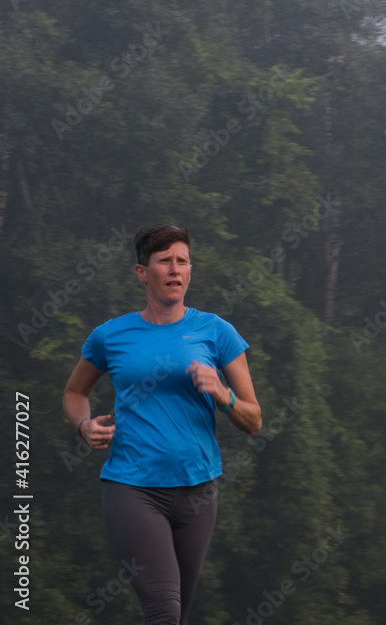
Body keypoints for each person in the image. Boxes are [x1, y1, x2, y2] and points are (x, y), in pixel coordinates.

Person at [62, 224, 262, 624]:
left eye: (182, 261)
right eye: (165, 261)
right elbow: (73, 394)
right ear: (142, 272)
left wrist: (223, 396)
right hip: (132, 488)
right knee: (163, 610)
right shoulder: (111, 336)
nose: (175, 269)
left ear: (190, 271)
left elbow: (253, 420)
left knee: (175, 614)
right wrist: (84, 426)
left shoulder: (216, 332)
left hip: (198, 492)